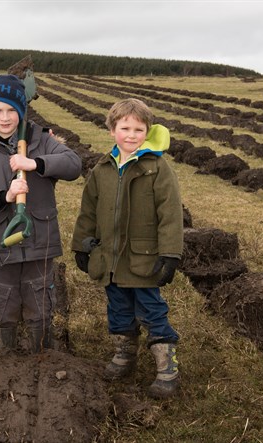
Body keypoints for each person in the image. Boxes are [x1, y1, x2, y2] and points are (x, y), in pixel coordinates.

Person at [71, 98, 183, 399]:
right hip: (109, 257)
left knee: (151, 308)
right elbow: (89, 209)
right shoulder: (103, 168)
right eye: (125, 128)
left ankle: (166, 366)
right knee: (118, 307)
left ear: (147, 131)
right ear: (112, 130)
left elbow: (171, 212)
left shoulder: (157, 167)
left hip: (143, 258)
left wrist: (170, 253)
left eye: (138, 129)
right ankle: (125, 354)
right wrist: (81, 244)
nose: (131, 135)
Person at [0, 74, 82, 353]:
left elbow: (73, 164)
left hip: (38, 238)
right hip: (1, 238)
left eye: (11, 110)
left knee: (38, 294)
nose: (5, 118)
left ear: (21, 111)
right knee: (4, 298)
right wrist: (5, 195)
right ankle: (4, 354)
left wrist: (33, 163)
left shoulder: (41, 140)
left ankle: (40, 352)